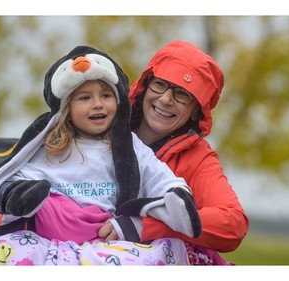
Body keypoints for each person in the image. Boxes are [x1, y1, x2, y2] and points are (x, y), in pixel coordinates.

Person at [0, 45, 201, 266]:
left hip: (104, 239)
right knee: (9, 254)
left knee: (160, 251)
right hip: (48, 239)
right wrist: (16, 195)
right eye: (85, 98)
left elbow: (156, 174)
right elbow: (14, 179)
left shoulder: (127, 146)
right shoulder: (50, 145)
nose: (98, 104)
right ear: (66, 107)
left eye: (106, 96)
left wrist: (175, 193)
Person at [99, 40, 249, 265]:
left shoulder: (198, 158)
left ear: (196, 111)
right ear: (144, 86)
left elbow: (232, 223)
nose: (166, 99)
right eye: (160, 84)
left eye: (183, 94)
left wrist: (148, 224)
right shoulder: (101, 126)